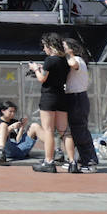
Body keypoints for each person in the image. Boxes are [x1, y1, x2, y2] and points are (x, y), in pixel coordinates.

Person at [28, 32, 75, 173]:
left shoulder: (50, 60)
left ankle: (49, 161)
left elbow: (42, 79)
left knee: (48, 130)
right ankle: (72, 162)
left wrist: (36, 69)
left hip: (49, 96)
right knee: (65, 131)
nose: (44, 49)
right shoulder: (64, 60)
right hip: (61, 95)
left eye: (44, 46)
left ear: (50, 45)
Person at [63, 37, 98, 173]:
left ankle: (90, 160)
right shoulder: (76, 60)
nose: (63, 49)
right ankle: (78, 158)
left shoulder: (76, 60)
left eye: (64, 46)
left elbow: (73, 64)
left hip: (77, 98)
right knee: (75, 130)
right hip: (74, 98)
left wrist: (68, 55)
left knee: (80, 130)